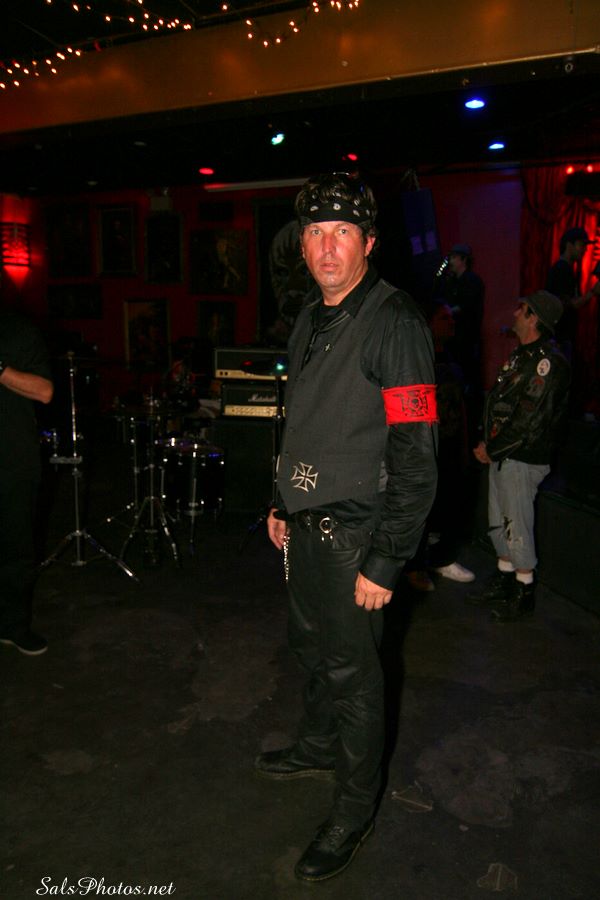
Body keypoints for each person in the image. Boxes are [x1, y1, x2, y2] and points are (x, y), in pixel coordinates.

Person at [257, 173, 438, 882]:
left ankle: (355, 809)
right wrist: (280, 501)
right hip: (304, 522)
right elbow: (301, 419)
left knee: (354, 676)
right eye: (315, 233)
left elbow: (417, 457)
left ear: (368, 243)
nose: (327, 247)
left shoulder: (396, 324)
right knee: (311, 649)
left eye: (341, 233)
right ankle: (316, 745)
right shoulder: (309, 316)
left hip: (358, 533)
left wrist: (388, 559)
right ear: (301, 245)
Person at [467, 290, 570, 622]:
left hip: (522, 457)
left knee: (517, 524)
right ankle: (505, 577)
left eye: (521, 309)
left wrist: (493, 447)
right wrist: (488, 442)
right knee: (499, 521)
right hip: (504, 453)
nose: (514, 313)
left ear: (534, 318)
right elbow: (500, 404)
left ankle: (523, 590)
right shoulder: (521, 356)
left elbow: (530, 419)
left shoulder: (548, 363)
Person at [0, 307, 54, 655]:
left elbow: (45, 391)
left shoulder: (18, 330)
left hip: (11, 460)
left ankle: (13, 626)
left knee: (16, 549)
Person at [545, 226, 600, 355]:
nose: (585, 249)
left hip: (563, 338)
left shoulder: (567, 270)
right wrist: (592, 292)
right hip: (559, 338)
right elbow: (568, 304)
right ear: (569, 245)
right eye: (582, 245)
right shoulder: (561, 270)